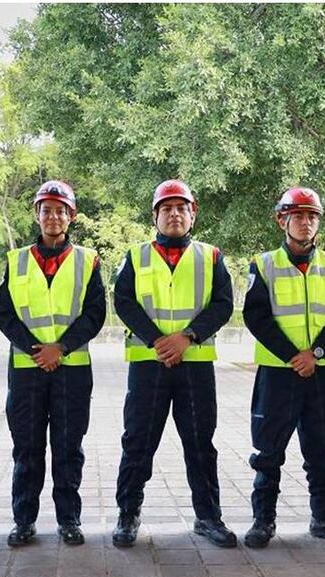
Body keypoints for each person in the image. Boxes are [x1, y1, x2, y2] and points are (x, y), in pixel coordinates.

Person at [111, 179, 237, 548]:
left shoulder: (211, 256)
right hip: (148, 363)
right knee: (137, 441)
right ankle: (128, 514)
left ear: (192, 214)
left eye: (182, 208)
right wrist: (157, 340)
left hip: (195, 364)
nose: (175, 214)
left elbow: (223, 304)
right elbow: (124, 301)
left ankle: (208, 517)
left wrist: (187, 337)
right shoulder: (136, 256)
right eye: (167, 209)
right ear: (156, 216)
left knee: (200, 442)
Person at [242, 187, 325, 549]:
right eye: (298, 216)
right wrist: (294, 355)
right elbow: (255, 316)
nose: (306, 222)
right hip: (278, 372)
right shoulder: (263, 264)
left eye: (312, 216)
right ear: (282, 220)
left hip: (318, 372)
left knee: (322, 450)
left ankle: (324, 520)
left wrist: (316, 352)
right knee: (268, 451)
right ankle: (263, 521)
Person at [0, 180, 106, 546]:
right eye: (47, 210)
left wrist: (61, 347)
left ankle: (69, 520)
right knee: (26, 449)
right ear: (37, 215)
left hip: (71, 371)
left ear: (71, 216)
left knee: (68, 447)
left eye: (61, 210)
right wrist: (35, 349)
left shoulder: (88, 260)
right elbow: (6, 314)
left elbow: (95, 314)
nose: (53, 216)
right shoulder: (17, 260)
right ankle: (23, 521)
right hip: (27, 372)